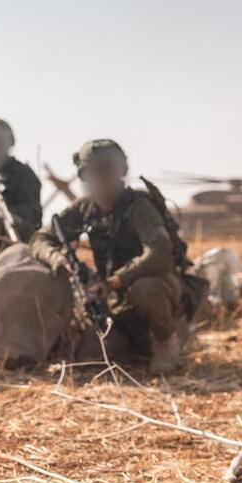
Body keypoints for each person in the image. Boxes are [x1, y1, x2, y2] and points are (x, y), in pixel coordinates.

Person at [29, 139, 185, 373]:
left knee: (145, 290)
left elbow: (160, 254)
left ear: (121, 171)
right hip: (113, 296)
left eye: (107, 171)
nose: (102, 179)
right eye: (94, 172)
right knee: (90, 358)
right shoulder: (85, 208)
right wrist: (58, 261)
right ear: (84, 176)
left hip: (154, 287)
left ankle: (165, 341)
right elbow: (40, 239)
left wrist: (115, 281)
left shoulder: (139, 206)